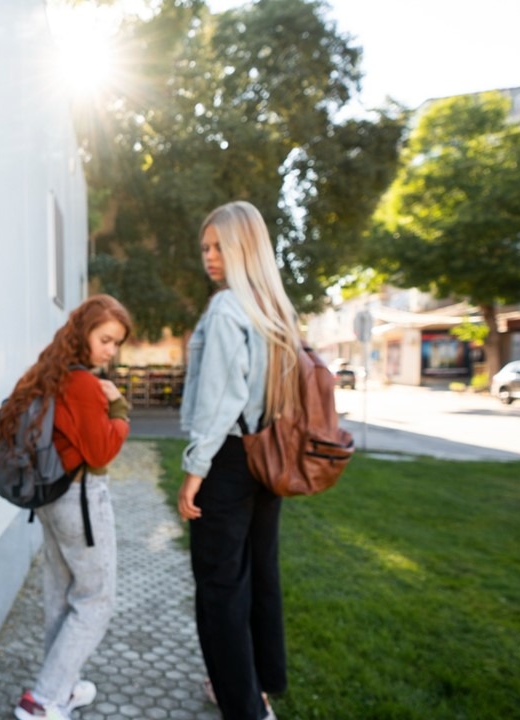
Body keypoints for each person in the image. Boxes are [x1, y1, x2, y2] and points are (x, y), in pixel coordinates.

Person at [177, 201, 295, 720]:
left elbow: (221, 398)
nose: (209, 257)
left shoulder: (228, 308)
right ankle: (260, 687)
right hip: (268, 457)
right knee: (259, 574)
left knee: (221, 588)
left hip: (228, 459)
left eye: (218, 246)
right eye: (205, 247)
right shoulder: (277, 308)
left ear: (243, 247)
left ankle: (243, 707)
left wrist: (194, 471)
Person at [0, 295, 133, 720]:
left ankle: (62, 689)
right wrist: (121, 409)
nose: (111, 350)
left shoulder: (44, 375)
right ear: (83, 332)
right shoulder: (85, 385)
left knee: (60, 594)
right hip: (82, 500)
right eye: (106, 339)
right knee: (96, 599)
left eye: (117, 343)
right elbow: (101, 449)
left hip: (51, 499)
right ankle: (43, 699)